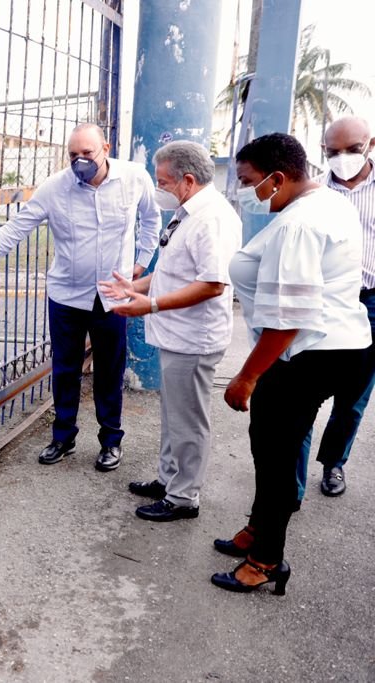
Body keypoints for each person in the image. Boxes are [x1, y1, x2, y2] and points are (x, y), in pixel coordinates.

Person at [0, 123, 161, 472]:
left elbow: (151, 219)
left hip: (113, 293)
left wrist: (140, 262)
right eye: (73, 155)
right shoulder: (55, 188)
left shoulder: (135, 177)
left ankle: (111, 440)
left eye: (87, 154)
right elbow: (14, 230)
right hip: (67, 295)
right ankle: (63, 436)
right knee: (65, 369)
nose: (80, 161)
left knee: (110, 369)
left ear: (105, 148)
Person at [211, 133, 371, 595]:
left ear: (278, 178)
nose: (245, 190)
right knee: (272, 446)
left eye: (248, 181)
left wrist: (247, 376)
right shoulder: (328, 202)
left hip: (309, 354)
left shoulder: (296, 226)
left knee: (276, 456)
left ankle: (264, 561)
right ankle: (258, 532)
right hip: (341, 346)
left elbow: (289, 320)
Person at [98, 141, 241, 521]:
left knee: (189, 420)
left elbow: (213, 283)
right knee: (173, 414)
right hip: (176, 335)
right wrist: (135, 288)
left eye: (162, 182)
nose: (158, 189)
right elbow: (172, 271)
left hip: (194, 338)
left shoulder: (212, 218)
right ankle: (168, 478)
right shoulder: (188, 211)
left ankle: (183, 497)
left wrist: (152, 304)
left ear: (188, 180)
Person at [293, 116, 375, 501]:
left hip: (371, 300)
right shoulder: (314, 194)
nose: (342, 158)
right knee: (301, 393)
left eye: (352, 150)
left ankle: (333, 464)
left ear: (370, 145)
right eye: (333, 152)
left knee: (353, 397)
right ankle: (291, 484)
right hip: (321, 300)